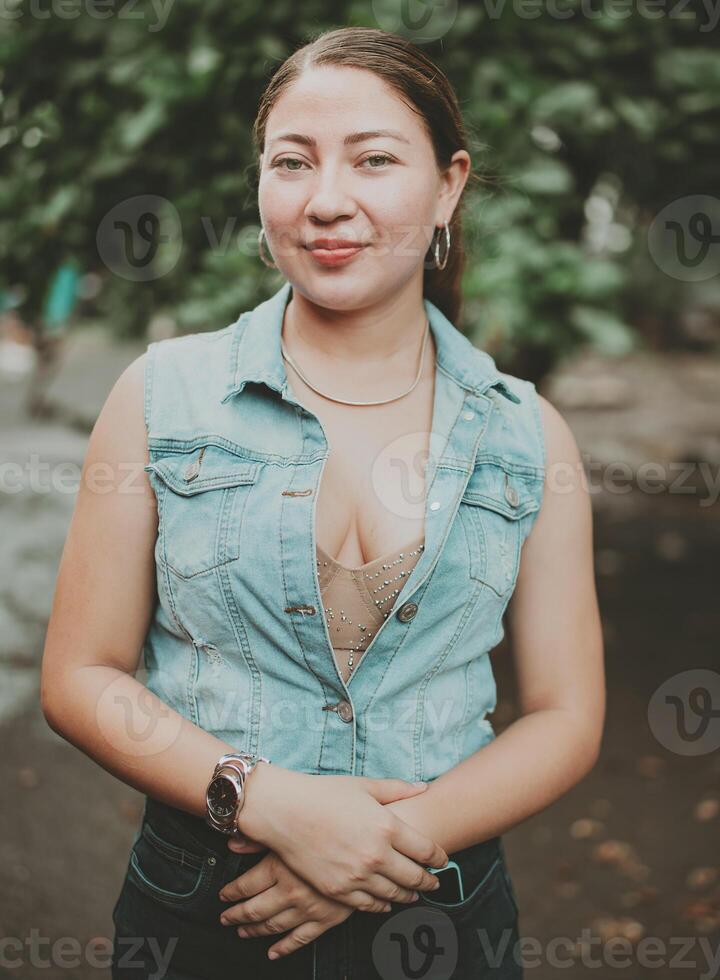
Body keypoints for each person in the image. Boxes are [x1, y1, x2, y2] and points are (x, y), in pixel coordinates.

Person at [40, 26, 605, 980]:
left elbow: (565, 715)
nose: (327, 201)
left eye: (375, 160)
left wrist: (386, 843)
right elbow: (80, 677)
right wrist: (272, 804)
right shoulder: (163, 395)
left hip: (441, 914)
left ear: (448, 187)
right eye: (291, 163)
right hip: (204, 909)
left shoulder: (526, 435)